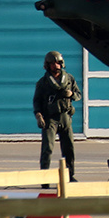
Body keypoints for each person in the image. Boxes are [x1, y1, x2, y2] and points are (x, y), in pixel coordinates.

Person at [33, 51, 81, 180]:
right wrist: (38, 115)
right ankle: (45, 178)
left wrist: (71, 94)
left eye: (58, 63)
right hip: (50, 119)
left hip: (65, 117)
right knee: (47, 149)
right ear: (47, 65)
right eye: (52, 63)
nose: (56, 66)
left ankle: (70, 175)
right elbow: (37, 100)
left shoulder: (69, 79)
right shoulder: (43, 82)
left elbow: (78, 94)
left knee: (69, 149)